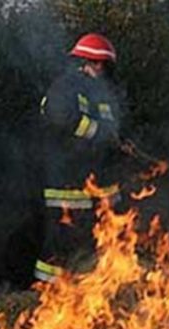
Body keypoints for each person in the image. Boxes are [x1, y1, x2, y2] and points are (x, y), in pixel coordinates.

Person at [34, 33, 131, 283]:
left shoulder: (102, 94)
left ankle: (90, 289)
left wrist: (121, 143)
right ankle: (47, 291)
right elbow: (61, 117)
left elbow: (112, 129)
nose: (100, 68)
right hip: (68, 182)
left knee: (96, 242)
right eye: (95, 62)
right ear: (83, 61)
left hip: (97, 182)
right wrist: (100, 133)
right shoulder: (66, 87)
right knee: (63, 242)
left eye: (104, 64)